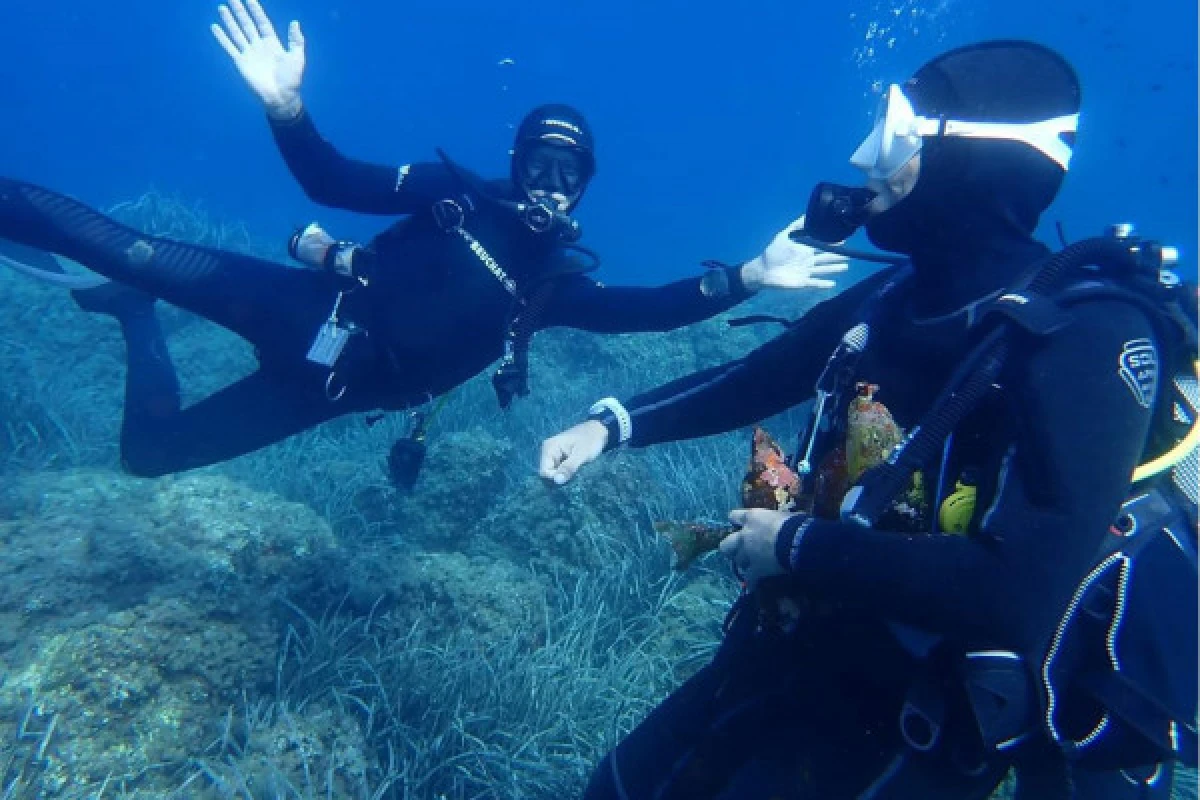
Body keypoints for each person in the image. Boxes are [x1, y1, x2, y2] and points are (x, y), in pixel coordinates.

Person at [539, 40, 1197, 799]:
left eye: (891, 138)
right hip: (805, 641)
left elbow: (1019, 591)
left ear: (970, 161)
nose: (861, 160)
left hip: (920, 714)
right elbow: (764, 375)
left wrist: (794, 544)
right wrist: (612, 425)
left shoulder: (1089, 335)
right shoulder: (896, 297)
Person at [0, 0, 847, 479]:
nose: (552, 185)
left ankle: (134, 317)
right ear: (515, 165)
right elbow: (332, 181)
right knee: (129, 248)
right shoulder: (453, 193)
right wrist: (287, 110)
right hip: (299, 305)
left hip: (324, 392)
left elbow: (649, 310)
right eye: (540, 165)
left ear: (585, 185)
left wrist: (747, 275)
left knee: (150, 456)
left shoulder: (551, 285)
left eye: (570, 173)